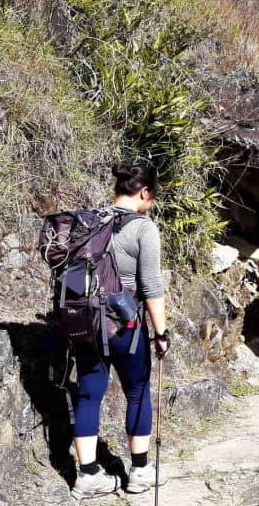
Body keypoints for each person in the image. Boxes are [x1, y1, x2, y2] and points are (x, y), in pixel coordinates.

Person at [70, 166, 170, 499]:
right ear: (144, 193)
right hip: (125, 324)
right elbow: (151, 285)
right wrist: (161, 332)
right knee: (138, 391)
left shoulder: (88, 222)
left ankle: (87, 475)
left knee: (88, 392)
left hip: (85, 321)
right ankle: (139, 472)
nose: (151, 203)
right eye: (152, 196)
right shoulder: (143, 228)